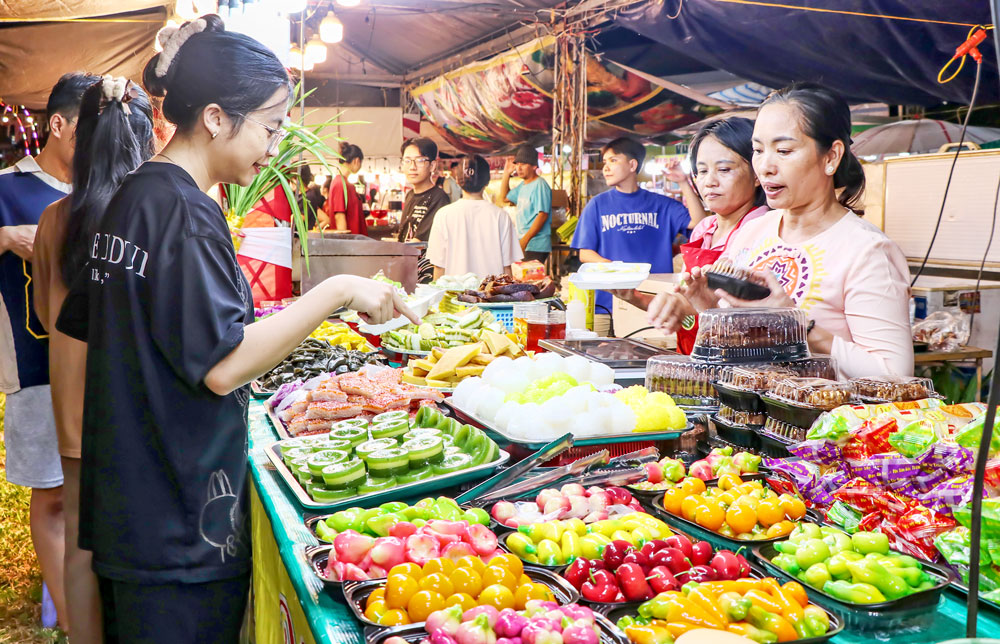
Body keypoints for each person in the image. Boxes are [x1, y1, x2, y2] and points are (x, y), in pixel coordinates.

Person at [55, 16, 415, 642]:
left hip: (135, 507)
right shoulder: (187, 213)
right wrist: (337, 292)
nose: (274, 146)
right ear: (217, 117)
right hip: (181, 521)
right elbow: (223, 366)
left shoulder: (134, 197)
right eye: (270, 127)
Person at [654, 82, 912, 378]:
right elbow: (738, 341)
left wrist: (797, 324)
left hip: (826, 422)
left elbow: (896, 375)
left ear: (830, 157)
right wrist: (704, 302)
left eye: (784, 150)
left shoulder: (867, 251)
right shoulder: (754, 232)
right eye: (758, 150)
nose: (765, 166)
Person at [34, 75, 154, 644]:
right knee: (135, 536)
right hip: (132, 404)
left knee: (82, 541)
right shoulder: (149, 217)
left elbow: (43, 309)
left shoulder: (54, 219)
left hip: (73, 405)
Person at [0, 71, 98, 631]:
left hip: (100, 363)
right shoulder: (10, 188)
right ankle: (66, 614)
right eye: (86, 127)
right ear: (57, 125)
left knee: (90, 488)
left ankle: (86, 601)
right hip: (35, 361)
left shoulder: (101, 189)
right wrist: (7, 239)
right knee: (52, 491)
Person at [633, 117, 768, 353]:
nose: (710, 182)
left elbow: (748, 310)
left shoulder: (763, 227)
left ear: (757, 174)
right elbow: (688, 295)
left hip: (736, 358)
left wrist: (684, 304)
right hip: (693, 350)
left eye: (724, 170)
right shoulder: (704, 228)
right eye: (702, 171)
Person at [571, 137, 703, 336]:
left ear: (632, 164)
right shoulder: (597, 205)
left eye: (613, 160)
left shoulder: (661, 205)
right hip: (606, 303)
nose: (606, 167)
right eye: (605, 162)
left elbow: (699, 222)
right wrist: (618, 272)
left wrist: (683, 181)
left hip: (653, 303)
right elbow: (585, 254)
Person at [427, 154, 524, 279]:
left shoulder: (443, 215)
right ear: (488, 181)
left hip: (453, 296)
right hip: (491, 295)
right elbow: (507, 268)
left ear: (457, 181)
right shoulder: (501, 216)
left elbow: (439, 267)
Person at [499, 143, 552, 263]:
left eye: (523, 164)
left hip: (536, 245)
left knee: (530, 279)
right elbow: (504, 198)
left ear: (534, 166)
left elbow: (542, 215)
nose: (519, 168)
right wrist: (506, 174)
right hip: (525, 243)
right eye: (517, 164)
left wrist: (525, 240)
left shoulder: (540, 185)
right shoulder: (523, 186)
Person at [396, 137, 450, 242]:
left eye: (419, 160)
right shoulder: (410, 195)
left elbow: (420, 242)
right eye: (407, 161)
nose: (412, 167)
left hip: (423, 258)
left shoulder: (439, 198)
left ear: (432, 166)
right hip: (407, 257)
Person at [322, 141, 367, 235]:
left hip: (355, 242)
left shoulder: (344, 183)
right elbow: (339, 217)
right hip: (351, 244)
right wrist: (346, 244)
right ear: (357, 161)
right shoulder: (340, 183)